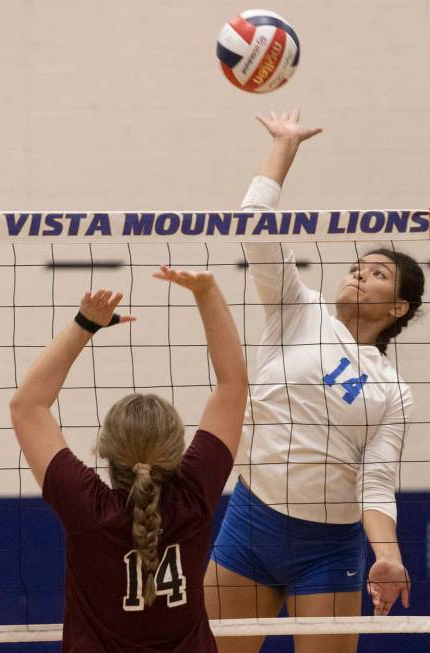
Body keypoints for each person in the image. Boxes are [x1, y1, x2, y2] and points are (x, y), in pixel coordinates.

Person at [205, 109, 425, 653]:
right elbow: (254, 222)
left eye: (377, 273)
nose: (359, 272)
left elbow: (375, 479)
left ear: (397, 307)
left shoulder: (391, 390)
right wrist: (286, 144)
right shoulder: (298, 310)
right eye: (358, 264)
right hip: (250, 523)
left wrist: (388, 554)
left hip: (326, 547)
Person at [10, 267, 248, 653]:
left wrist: (85, 323)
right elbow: (233, 384)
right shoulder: (194, 495)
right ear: (177, 448)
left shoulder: (87, 508)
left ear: (104, 447)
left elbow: (26, 406)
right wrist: (206, 293)